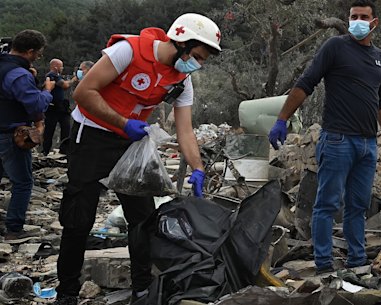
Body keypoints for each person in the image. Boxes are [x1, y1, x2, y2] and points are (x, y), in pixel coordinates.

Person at [53, 13, 222, 305]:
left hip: (130, 143)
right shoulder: (128, 51)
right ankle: (67, 292)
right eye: (196, 56)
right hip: (91, 136)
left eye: (203, 60)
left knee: (142, 218)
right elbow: (83, 92)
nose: (198, 64)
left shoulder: (182, 80)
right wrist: (122, 122)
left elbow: (185, 130)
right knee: (79, 218)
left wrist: (198, 168)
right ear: (180, 42)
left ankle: (142, 288)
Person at [268, 0, 381, 274]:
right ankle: (324, 264)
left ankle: (356, 261)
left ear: (374, 23)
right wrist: (282, 119)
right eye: (353, 15)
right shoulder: (335, 47)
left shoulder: (380, 58)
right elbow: (306, 82)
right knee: (327, 205)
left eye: (363, 16)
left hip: (367, 145)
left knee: (358, 206)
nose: (357, 20)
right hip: (337, 140)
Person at [0, 29, 54, 241]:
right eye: (38, 54)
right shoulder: (18, 75)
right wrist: (47, 90)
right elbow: (35, 103)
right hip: (10, 134)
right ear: (30, 52)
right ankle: (14, 228)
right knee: (22, 182)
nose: (38, 58)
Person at [42, 58, 76, 155]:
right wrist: (73, 79)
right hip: (53, 107)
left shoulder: (58, 76)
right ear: (55, 66)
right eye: (61, 66)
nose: (62, 68)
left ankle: (64, 150)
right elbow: (65, 85)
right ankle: (46, 150)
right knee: (49, 130)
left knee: (66, 129)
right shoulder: (51, 75)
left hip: (62, 107)